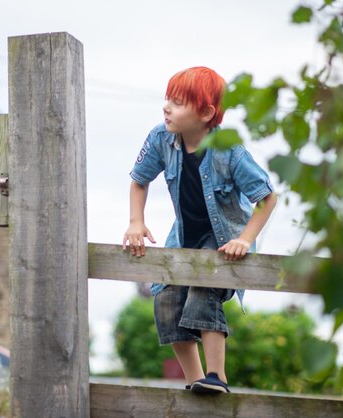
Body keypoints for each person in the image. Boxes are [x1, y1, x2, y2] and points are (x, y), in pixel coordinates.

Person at [123, 66, 277, 393]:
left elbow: (267, 197)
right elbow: (139, 180)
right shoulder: (161, 139)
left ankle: (216, 377)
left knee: (203, 289)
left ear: (206, 113)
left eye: (177, 103)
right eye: (167, 99)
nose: (166, 107)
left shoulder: (229, 151)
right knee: (165, 298)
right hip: (183, 239)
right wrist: (136, 221)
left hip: (222, 242)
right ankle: (195, 381)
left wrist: (245, 240)